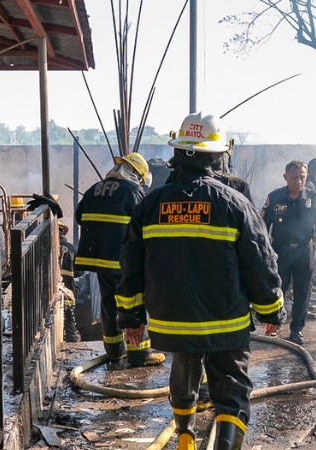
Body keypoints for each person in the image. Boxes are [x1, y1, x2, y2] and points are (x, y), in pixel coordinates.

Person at [116, 112, 284, 450]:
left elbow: (130, 265)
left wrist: (131, 318)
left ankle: (185, 438)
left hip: (172, 322)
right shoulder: (235, 204)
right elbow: (260, 261)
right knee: (232, 391)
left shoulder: (149, 204)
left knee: (184, 370)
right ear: (218, 156)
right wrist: (271, 310)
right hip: (225, 323)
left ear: (177, 153)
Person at [74, 152, 165, 368]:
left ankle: (115, 351)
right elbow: (145, 223)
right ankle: (139, 355)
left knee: (108, 304)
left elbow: (79, 216)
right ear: (135, 173)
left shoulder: (94, 188)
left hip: (98, 260)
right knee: (132, 302)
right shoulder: (133, 191)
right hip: (123, 261)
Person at [261, 160, 316, 345]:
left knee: (302, 292)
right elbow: (262, 227)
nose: (299, 181)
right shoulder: (274, 198)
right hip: (280, 251)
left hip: (305, 251)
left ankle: (296, 330)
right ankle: (274, 326)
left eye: (302, 177)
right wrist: (264, 252)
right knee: (277, 290)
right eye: (294, 177)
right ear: (285, 178)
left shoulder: (313, 198)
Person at [58, 222, 81, 342]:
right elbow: (79, 272)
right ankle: (72, 337)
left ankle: (66, 336)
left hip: (52, 288)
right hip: (69, 288)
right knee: (70, 315)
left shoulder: (46, 246)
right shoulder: (72, 248)